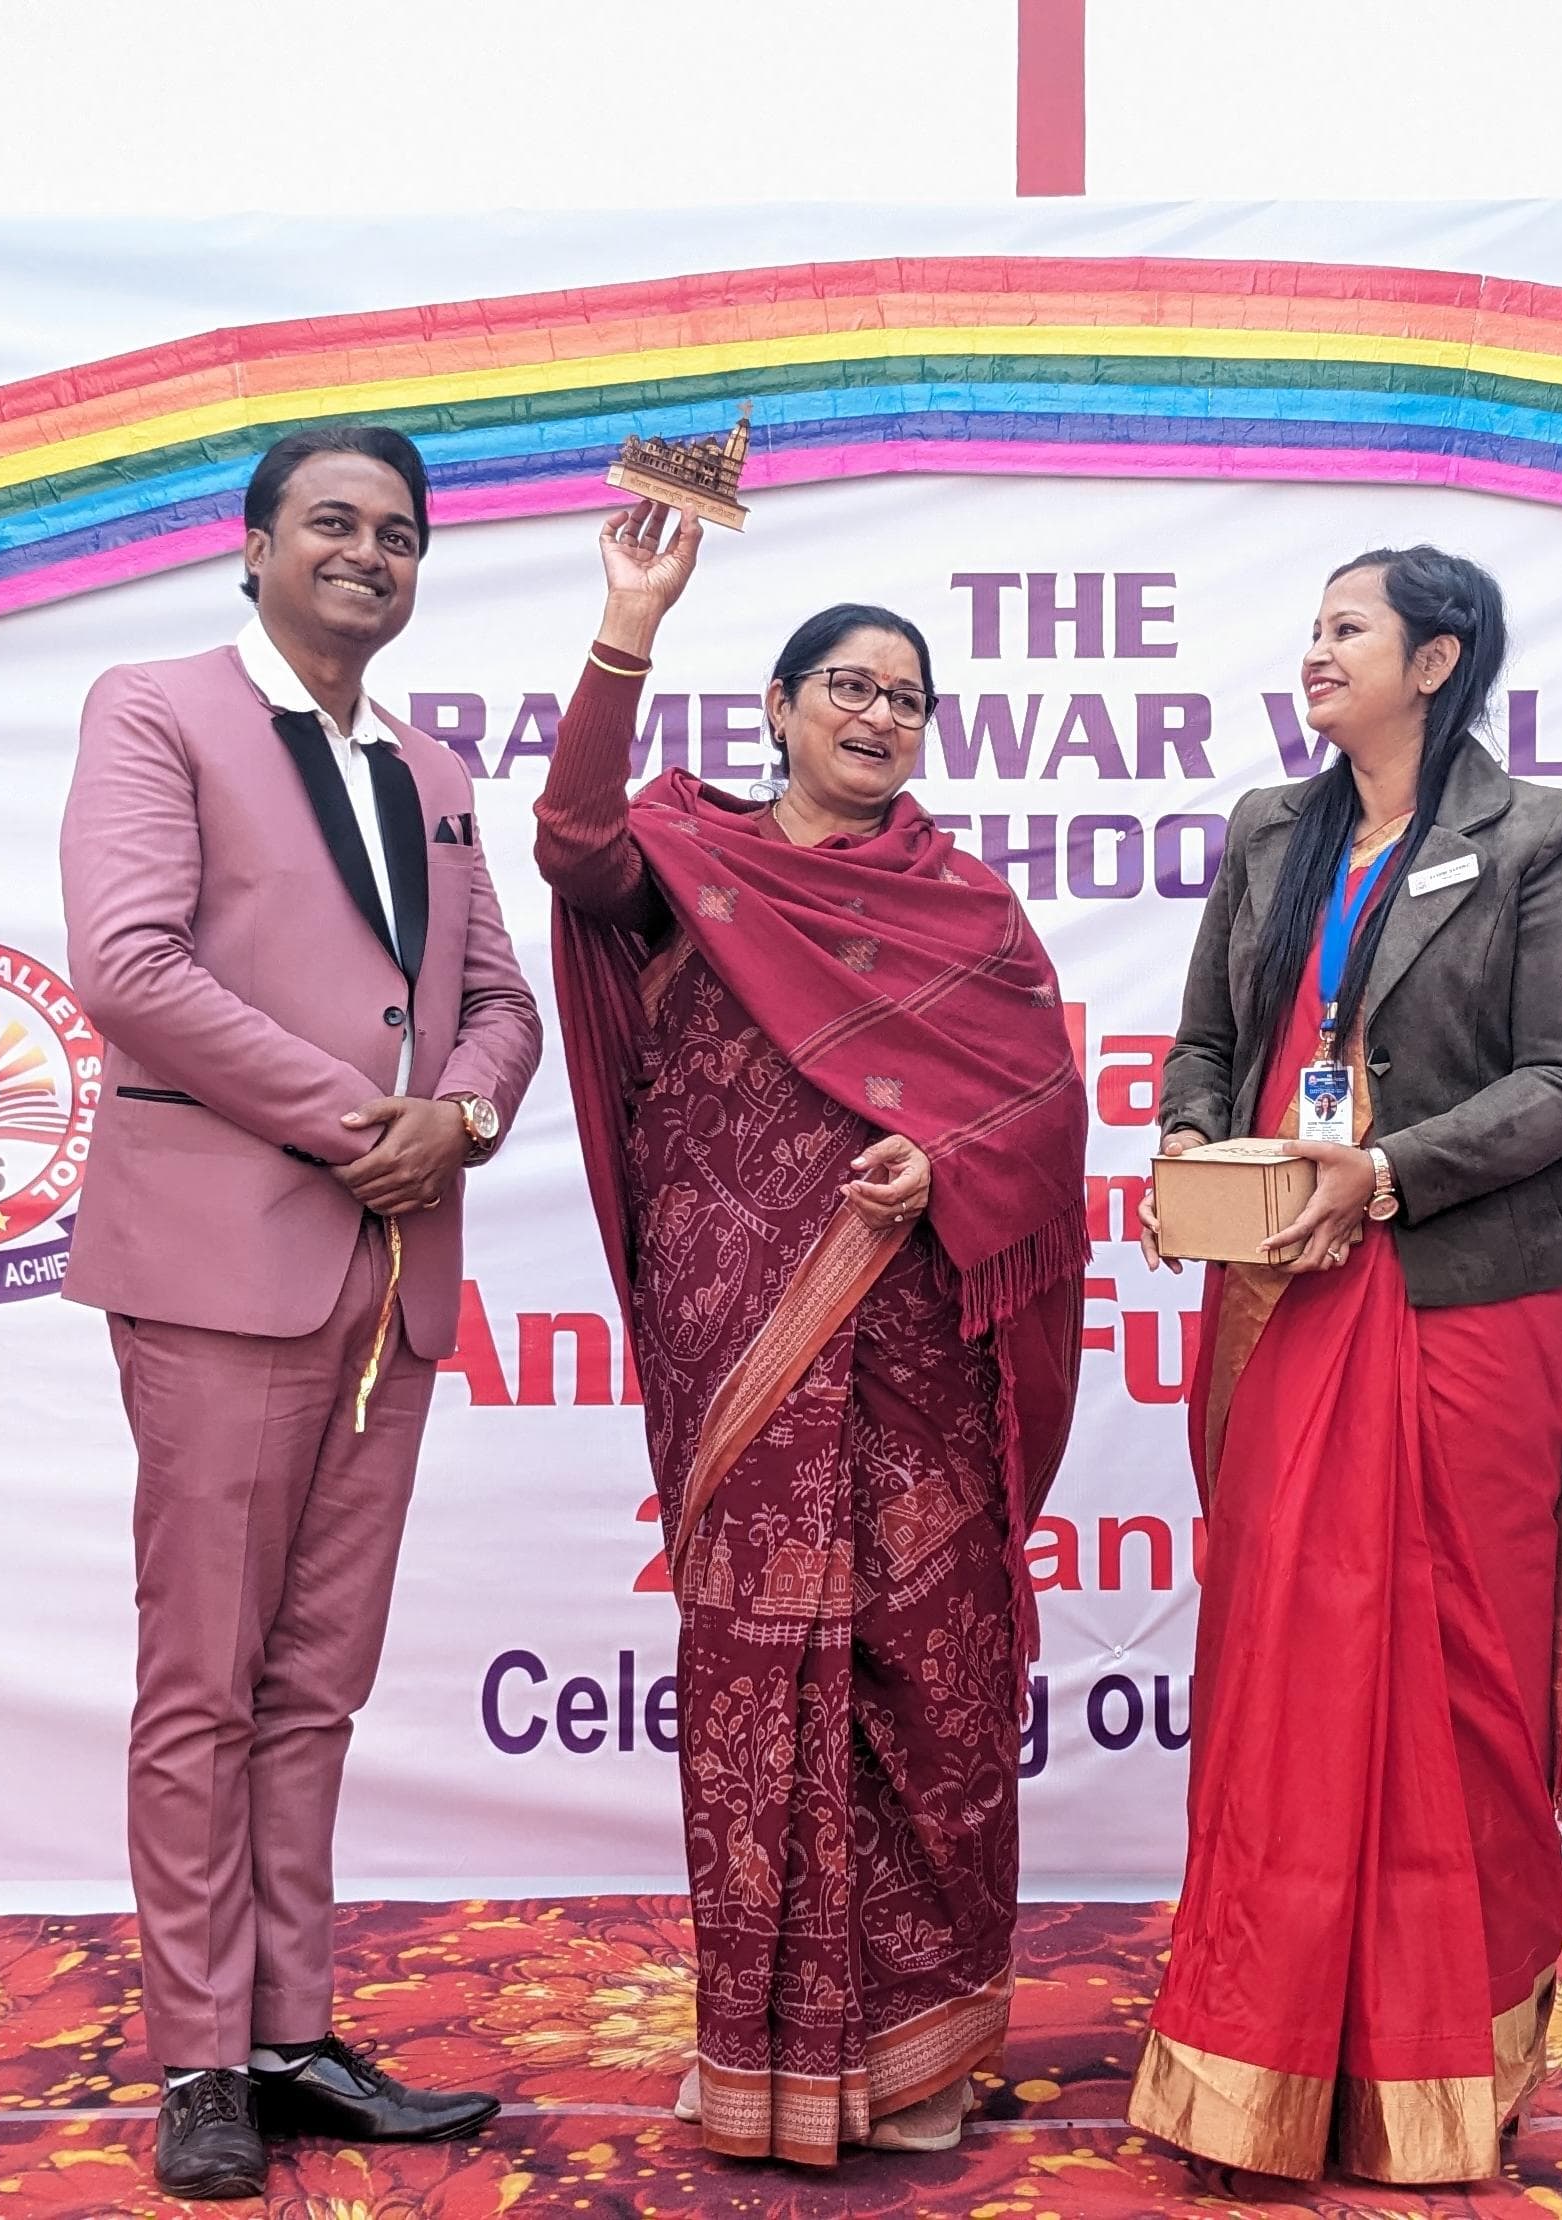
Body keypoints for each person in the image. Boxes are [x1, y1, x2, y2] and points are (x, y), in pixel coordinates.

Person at [535, 499, 1085, 2168]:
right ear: (777, 708)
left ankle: (916, 2060)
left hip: (912, 1334)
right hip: (740, 1330)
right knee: (756, 1682)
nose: (878, 715)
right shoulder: (685, 862)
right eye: (848, 685)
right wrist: (628, 623)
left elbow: (1042, 1111)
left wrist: (944, 1164)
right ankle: (764, 2050)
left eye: (906, 698)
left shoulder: (966, 908)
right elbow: (568, 842)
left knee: (929, 1683)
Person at [1127, 544, 1562, 2186]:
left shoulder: (1543, 835)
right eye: (1309, 628)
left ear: (1435, 661)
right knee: (1281, 1677)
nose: (1313, 652)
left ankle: (1446, 2066)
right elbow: (1208, 1044)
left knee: (1462, 1684)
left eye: (1344, 629)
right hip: (1283, 1297)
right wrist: (1189, 1151)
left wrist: (1381, 1171)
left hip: (1461, 1304)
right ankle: (1262, 2064)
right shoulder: (1268, 833)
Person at [59, 424, 540, 2199]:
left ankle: (287, 2033)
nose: (368, 553)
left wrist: (458, 1118)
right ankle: (200, 2058)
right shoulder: (155, 709)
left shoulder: (432, 765)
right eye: (332, 522)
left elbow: (498, 1001)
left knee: (316, 1683)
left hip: (392, 1276)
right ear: (254, 545)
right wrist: (366, 1126)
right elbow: (130, 963)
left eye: (398, 533)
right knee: (204, 1677)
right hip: (224, 1260)